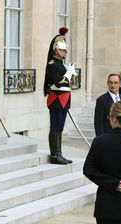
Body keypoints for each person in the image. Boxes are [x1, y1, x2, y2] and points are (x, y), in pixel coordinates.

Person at [43, 27, 75, 164]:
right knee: (55, 126)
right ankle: (54, 155)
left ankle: (59, 152)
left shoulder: (61, 65)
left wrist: (70, 72)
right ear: (56, 50)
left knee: (60, 127)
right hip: (56, 99)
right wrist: (68, 74)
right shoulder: (52, 64)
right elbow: (58, 82)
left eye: (65, 50)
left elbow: (67, 82)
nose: (65, 52)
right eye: (62, 50)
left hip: (63, 98)